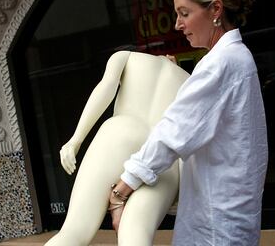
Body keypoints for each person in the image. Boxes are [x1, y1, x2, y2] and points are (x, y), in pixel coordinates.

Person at [109, 0, 269, 245]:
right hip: (227, 212)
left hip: (216, 221)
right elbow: (197, 115)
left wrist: (123, 188)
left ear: (215, 9)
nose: (178, 24)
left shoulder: (221, 63)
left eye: (184, 13)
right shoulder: (232, 58)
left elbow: (175, 131)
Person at [47, 50, 190, 246]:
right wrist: (182, 192)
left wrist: (76, 140)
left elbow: (106, 88)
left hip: (121, 132)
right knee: (136, 235)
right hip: (161, 155)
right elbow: (187, 136)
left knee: (74, 231)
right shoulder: (190, 81)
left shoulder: (128, 56)